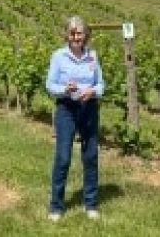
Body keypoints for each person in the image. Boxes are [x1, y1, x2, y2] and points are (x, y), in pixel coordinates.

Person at [45, 16, 105, 221]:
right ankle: (56, 206)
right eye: (72, 33)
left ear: (85, 35)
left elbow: (101, 85)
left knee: (90, 157)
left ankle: (91, 204)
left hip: (89, 109)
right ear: (67, 35)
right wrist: (65, 89)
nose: (76, 37)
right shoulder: (58, 56)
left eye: (79, 33)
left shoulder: (92, 57)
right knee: (63, 157)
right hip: (67, 109)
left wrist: (93, 92)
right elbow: (50, 85)